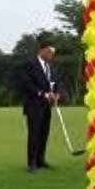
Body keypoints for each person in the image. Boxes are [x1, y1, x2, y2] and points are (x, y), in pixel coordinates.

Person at [19, 41, 60, 172]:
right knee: (34, 133)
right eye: (49, 52)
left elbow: (55, 83)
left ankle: (40, 160)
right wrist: (43, 94)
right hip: (34, 105)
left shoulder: (51, 67)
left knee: (44, 133)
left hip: (47, 106)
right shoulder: (30, 65)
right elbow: (26, 84)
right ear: (41, 51)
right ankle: (31, 163)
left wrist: (56, 95)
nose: (51, 55)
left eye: (53, 53)